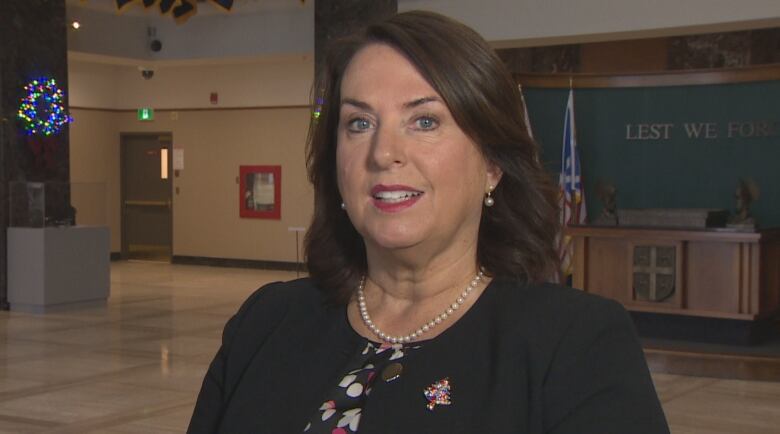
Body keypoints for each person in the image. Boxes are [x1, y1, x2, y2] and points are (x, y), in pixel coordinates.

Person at [188, 11, 669, 434]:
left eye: (424, 121)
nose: (383, 153)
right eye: (359, 123)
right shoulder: (266, 321)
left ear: (492, 164)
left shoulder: (577, 343)